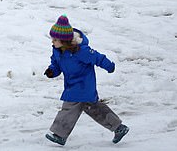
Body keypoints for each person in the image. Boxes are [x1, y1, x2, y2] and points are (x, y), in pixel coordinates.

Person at [43, 15, 129, 145]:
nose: (52, 42)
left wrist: (109, 66)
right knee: (94, 109)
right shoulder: (57, 50)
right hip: (72, 85)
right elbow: (56, 64)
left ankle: (59, 135)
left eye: (55, 39)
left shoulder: (81, 50)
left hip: (83, 85)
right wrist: (51, 71)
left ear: (64, 40)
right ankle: (118, 127)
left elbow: (98, 58)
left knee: (69, 108)